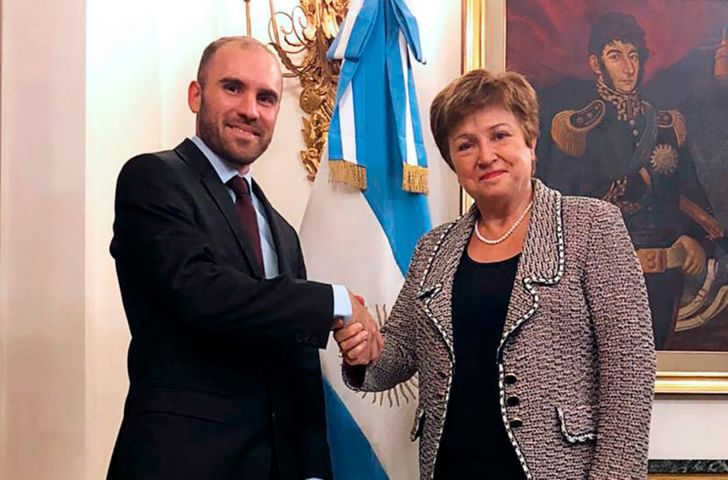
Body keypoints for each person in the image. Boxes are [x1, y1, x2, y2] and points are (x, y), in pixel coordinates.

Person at [334, 69, 656, 479]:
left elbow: (630, 367)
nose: (485, 156)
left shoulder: (592, 225)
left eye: (500, 135)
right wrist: (365, 348)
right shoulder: (433, 247)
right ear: (453, 162)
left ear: (530, 141)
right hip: (451, 466)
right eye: (466, 145)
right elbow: (399, 356)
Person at [107, 36, 381, 480]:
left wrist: (313, 469)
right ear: (196, 95)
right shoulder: (153, 178)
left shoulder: (283, 232)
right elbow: (202, 294)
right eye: (233, 88)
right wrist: (336, 302)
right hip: (180, 463)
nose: (251, 110)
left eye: (266, 98)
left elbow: (298, 366)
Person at [541, 12, 728, 349]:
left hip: (665, 277)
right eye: (615, 56)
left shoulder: (665, 126)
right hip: (602, 278)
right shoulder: (576, 129)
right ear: (596, 63)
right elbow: (561, 208)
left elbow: (688, 195)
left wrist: (692, 239)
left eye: (633, 55)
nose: (628, 67)